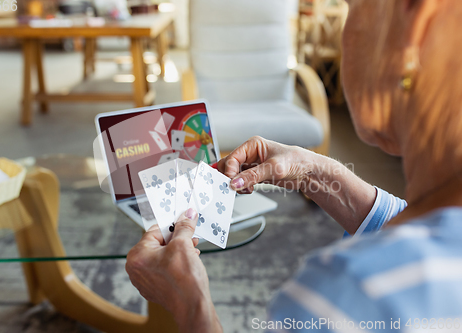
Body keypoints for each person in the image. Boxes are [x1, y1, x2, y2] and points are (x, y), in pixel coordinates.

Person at [126, 0, 462, 331]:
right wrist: (310, 170)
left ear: (414, 23)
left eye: (351, 6)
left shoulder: (350, 297)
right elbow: (424, 230)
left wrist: (190, 305)